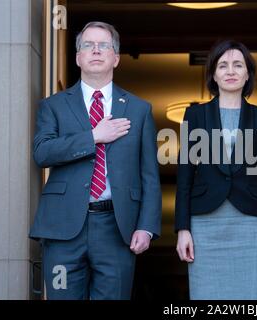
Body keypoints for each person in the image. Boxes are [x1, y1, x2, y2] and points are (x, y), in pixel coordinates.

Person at [29, 21, 161, 300]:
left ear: (116, 57)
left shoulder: (139, 110)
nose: (96, 50)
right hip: (63, 230)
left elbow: (149, 174)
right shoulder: (53, 105)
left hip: (117, 228)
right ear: (78, 57)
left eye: (104, 45)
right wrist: (93, 137)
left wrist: (146, 227)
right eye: (88, 45)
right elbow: (42, 152)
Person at [175, 40, 257, 300]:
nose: (230, 71)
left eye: (237, 65)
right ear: (213, 73)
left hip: (250, 224)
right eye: (223, 65)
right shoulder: (195, 116)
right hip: (204, 224)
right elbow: (185, 176)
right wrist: (182, 228)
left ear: (247, 74)